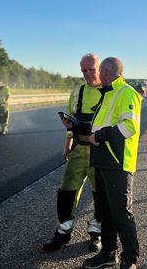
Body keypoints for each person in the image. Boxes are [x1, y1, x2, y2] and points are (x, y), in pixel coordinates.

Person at [84, 57, 141, 269]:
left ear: (108, 72)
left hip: (118, 163)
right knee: (105, 212)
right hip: (103, 160)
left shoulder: (125, 92)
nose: (99, 75)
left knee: (121, 213)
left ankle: (130, 260)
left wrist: (99, 137)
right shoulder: (107, 93)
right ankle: (108, 253)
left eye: (102, 71)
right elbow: (100, 125)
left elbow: (129, 126)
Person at [43, 53, 103, 252]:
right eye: (83, 70)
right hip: (78, 149)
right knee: (67, 190)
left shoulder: (110, 92)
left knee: (100, 194)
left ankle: (96, 232)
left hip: (100, 152)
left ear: (100, 68)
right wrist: (67, 143)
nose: (87, 74)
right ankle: (64, 230)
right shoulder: (78, 91)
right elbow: (71, 121)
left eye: (91, 69)